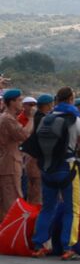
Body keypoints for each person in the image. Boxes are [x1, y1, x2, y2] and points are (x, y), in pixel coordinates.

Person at [31, 86, 80, 260]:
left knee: (47, 208)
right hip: (67, 168)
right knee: (72, 209)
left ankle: (39, 245)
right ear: (71, 99)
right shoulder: (74, 120)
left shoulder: (46, 119)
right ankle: (68, 247)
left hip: (47, 168)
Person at [0, 89, 34, 220]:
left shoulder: (7, 118)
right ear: (12, 102)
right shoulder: (7, 119)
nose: (21, 103)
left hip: (9, 162)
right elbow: (24, 135)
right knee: (12, 201)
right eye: (19, 100)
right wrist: (31, 119)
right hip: (10, 164)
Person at [20, 94, 55, 204]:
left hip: (31, 159)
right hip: (36, 161)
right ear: (48, 105)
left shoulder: (37, 117)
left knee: (32, 192)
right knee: (36, 194)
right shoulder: (42, 119)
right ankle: (35, 219)